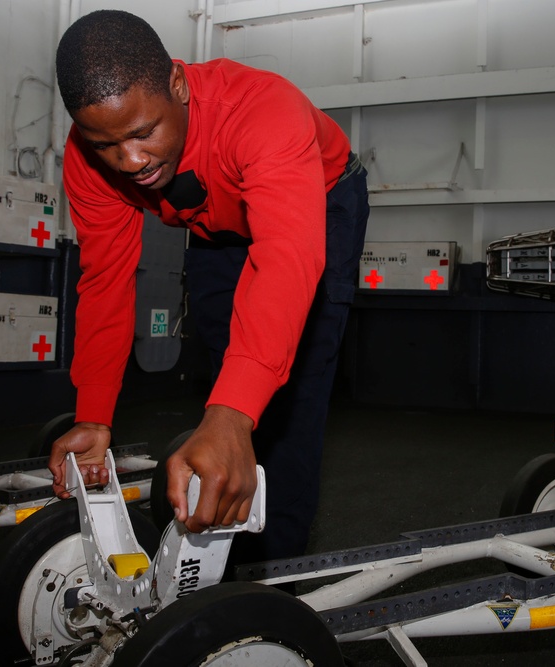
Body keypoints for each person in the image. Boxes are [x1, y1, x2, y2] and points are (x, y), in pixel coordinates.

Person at [46, 9, 369, 564]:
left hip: (319, 199)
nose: (131, 162)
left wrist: (232, 415)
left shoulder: (263, 111)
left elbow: (286, 261)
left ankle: (276, 573)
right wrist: (93, 414)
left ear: (178, 84)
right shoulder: (89, 158)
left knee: (290, 387)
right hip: (215, 224)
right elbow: (105, 283)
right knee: (229, 371)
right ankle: (225, 514)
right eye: (107, 144)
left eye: (144, 133)